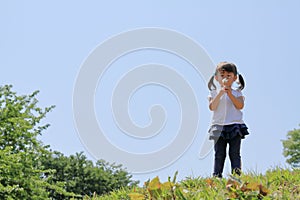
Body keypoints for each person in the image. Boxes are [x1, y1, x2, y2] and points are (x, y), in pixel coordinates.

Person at [207, 61, 249, 178]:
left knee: (234, 153)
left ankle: (236, 176)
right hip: (219, 126)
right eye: (222, 76)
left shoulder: (237, 93)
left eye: (229, 76)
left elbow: (240, 105)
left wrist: (230, 94)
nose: (225, 78)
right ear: (216, 78)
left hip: (235, 125)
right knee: (219, 153)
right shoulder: (214, 92)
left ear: (235, 78)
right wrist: (221, 93)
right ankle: (217, 176)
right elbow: (212, 107)